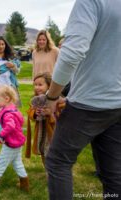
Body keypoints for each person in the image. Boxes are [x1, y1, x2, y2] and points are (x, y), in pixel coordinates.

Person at [44, 0, 121, 199]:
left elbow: (71, 54)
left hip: (88, 104)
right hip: (116, 104)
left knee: (58, 162)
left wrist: (52, 96)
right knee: (114, 174)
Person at [25, 73, 64, 166]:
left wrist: (50, 114)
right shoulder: (36, 100)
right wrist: (35, 113)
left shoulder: (58, 100)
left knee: (52, 151)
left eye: (40, 85)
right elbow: (30, 113)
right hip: (41, 131)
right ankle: (47, 170)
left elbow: (62, 116)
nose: (37, 87)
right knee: (42, 150)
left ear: (49, 85)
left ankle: (55, 170)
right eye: (35, 85)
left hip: (53, 132)